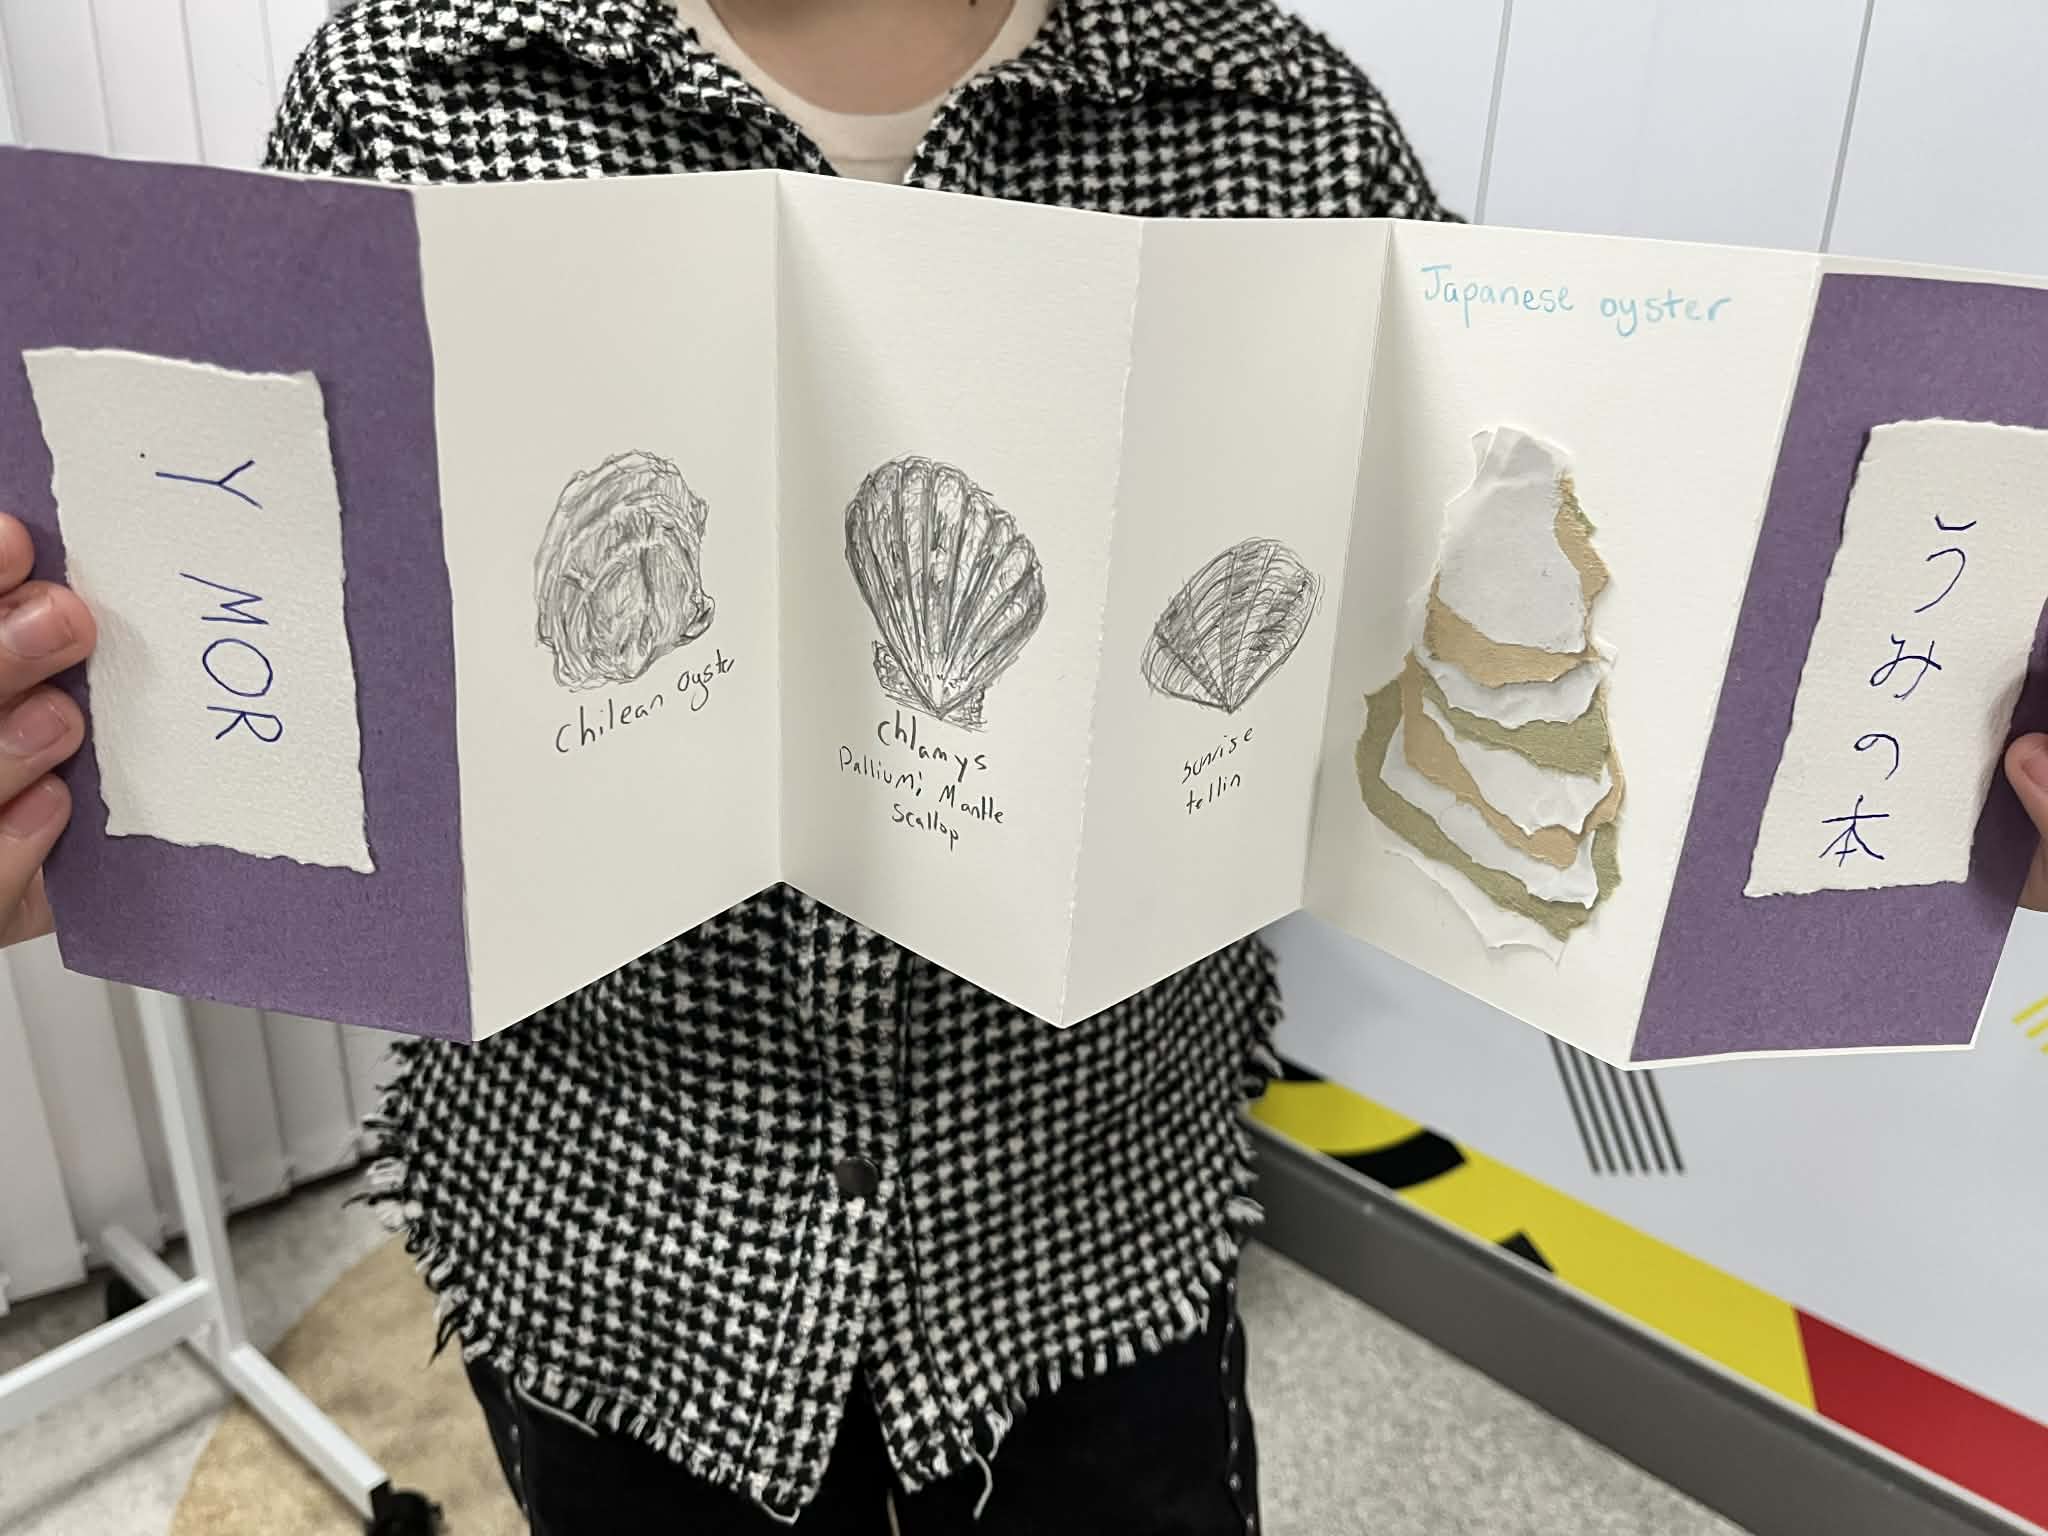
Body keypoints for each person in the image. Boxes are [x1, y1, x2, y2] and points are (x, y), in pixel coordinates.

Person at [2, 3, 2046, 1531]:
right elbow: (306, 655)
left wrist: (1939, 762)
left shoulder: (1281, 118)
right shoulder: (412, 87)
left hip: (1099, 1234)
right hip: (619, 1251)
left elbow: (1480, 589)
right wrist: (79, 782)